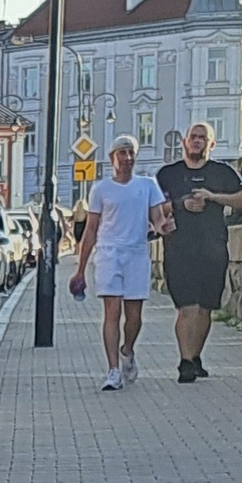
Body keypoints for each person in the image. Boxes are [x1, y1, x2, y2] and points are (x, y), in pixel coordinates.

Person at [154, 121, 242, 383]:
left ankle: (195, 356)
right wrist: (182, 204)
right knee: (186, 307)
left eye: (202, 138)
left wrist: (212, 197)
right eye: (193, 137)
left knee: (205, 308)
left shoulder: (222, 172)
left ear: (211, 144)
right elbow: (155, 206)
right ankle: (185, 362)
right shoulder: (168, 174)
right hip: (178, 248)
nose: (197, 141)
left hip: (213, 247)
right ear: (184, 142)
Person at [67, 135, 164, 389]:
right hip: (109, 253)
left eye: (131, 153)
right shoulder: (101, 189)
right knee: (112, 311)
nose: (128, 158)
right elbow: (91, 229)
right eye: (123, 153)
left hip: (137, 253)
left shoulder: (148, 185)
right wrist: (80, 270)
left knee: (135, 317)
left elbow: (158, 217)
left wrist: (165, 226)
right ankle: (113, 371)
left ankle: (127, 350)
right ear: (113, 158)